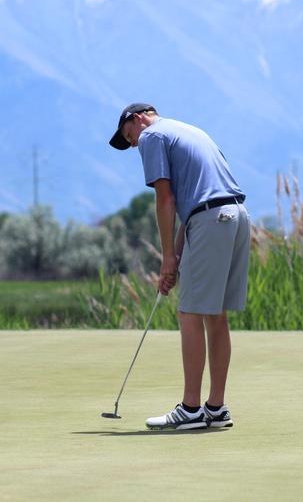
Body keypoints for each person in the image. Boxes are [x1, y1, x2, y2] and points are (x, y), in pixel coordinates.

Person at [109, 103, 250, 430]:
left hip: (210, 220)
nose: (134, 144)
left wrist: (167, 257)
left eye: (129, 136)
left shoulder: (152, 136)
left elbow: (166, 199)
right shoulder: (189, 131)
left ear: (139, 118)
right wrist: (175, 256)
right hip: (236, 217)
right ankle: (215, 408)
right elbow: (197, 201)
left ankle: (190, 409)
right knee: (215, 315)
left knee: (189, 313)